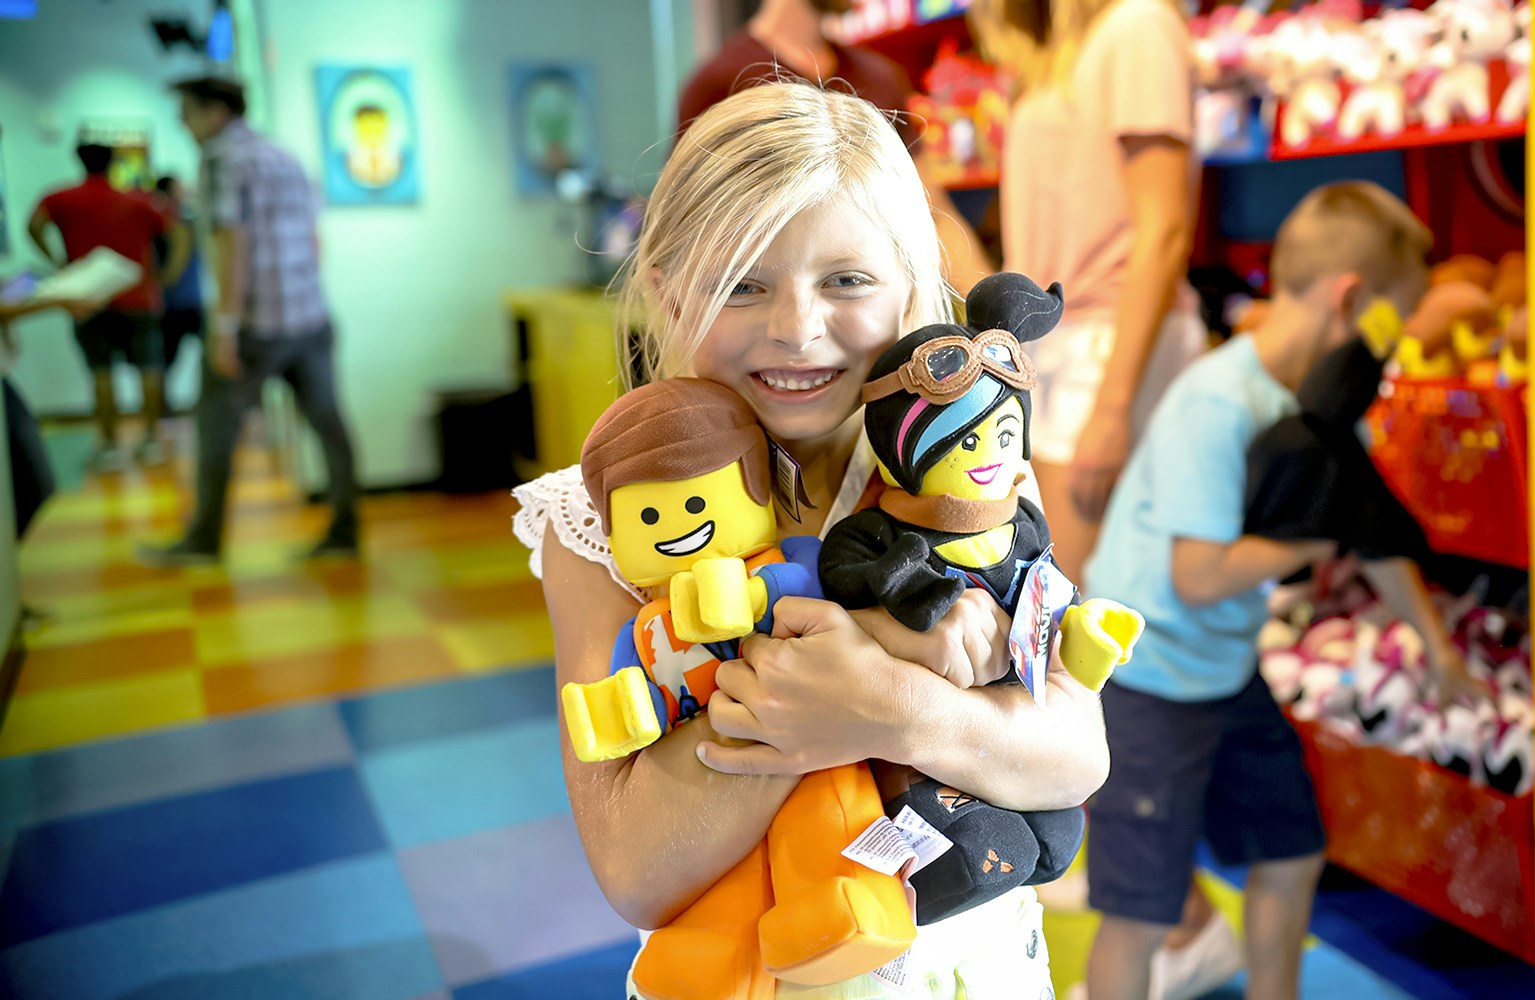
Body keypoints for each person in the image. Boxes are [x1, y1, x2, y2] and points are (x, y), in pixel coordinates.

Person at [514, 82, 1111, 996]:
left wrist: (900, 712)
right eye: (741, 283)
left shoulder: (965, 469)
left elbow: (1077, 751)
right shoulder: (601, 523)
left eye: (847, 280)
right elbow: (634, 869)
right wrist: (825, 708)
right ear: (669, 295)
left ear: (913, 284)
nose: (796, 327)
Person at [1081, 182, 1477, 1000]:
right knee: (1140, 914)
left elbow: (1363, 531)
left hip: (1224, 673)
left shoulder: (1321, 408)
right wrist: (1307, 540)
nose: (1393, 349)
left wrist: (1435, 645)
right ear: (1353, 301)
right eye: (1391, 329)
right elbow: (1198, 576)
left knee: (1292, 852)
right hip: (1148, 679)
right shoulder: (1218, 402)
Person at [968, 0, 1206, 585]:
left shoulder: (1137, 27)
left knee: (1062, 592)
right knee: (1051, 589)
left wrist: (1112, 406)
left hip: (1108, 343)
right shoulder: (1060, 54)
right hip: (1059, 342)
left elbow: (1166, 230)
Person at [139, 76, 360, 566]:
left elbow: (231, 242)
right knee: (329, 425)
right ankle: (345, 531)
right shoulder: (284, 156)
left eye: (189, 112)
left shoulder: (221, 159)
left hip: (256, 326)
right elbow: (314, 239)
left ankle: (203, 541)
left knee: (215, 426)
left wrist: (224, 327)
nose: (183, 122)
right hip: (309, 316)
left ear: (217, 113)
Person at [678, 0, 994, 294]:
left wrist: (994, 312)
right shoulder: (720, 86)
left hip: (877, 319)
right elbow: (693, 238)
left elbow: (932, 214)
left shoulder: (879, 78)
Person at [27, 143, 187, 469]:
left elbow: (33, 226)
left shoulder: (60, 198)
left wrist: (60, 263)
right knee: (149, 369)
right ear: (113, 163)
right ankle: (151, 440)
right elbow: (180, 233)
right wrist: (169, 274)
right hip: (139, 297)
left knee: (101, 372)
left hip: (88, 297)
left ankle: (110, 446)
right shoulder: (139, 199)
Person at [152, 175, 206, 401]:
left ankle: (164, 407)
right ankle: (162, 407)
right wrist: (168, 278)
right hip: (173, 302)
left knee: (168, 361)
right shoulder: (168, 222)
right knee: (165, 362)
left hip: (188, 300)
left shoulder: (185, 218)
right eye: (179, 189)